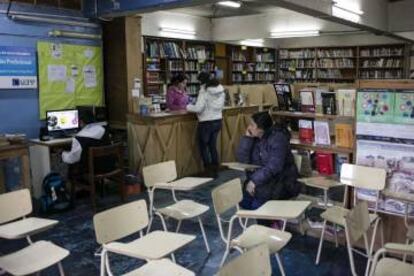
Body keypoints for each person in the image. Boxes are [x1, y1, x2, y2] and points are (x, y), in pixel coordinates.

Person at [236, 111, 300, 213]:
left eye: (252, 125)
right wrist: (247, 139)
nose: (249, 127)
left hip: (282, 181)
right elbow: (243, 161)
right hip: (264, 181)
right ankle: (268, 221)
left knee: (255, 206)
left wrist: (254, 181)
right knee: (243, 202)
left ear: (261, 129)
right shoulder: (256, 138)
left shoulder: (278, 138)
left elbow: (274, 166)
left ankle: (270, 223)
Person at [187, 72, 225, 177]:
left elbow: (199, 108)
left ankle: (208, 170)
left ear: (201, 81)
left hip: (206, 122)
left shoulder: (204, 91)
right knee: (213, 146)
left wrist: (188, 106)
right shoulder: (220, 89)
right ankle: (215, 168)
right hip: (217, 120)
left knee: (203, 147)